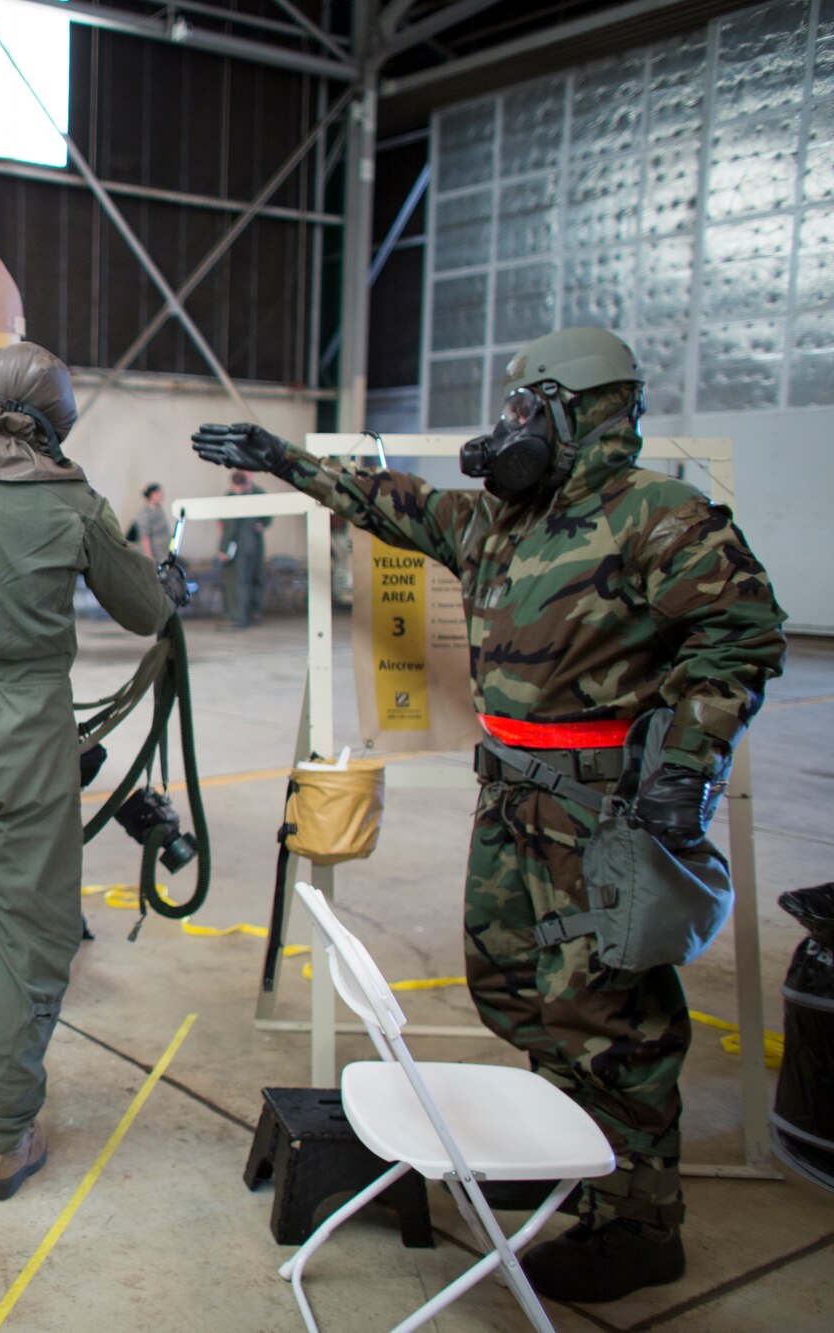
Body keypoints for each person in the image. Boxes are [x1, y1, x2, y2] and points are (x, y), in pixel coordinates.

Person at [192, 327, 787, 1302]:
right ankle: (577, 1144)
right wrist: (282, 458)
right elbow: (394, 504)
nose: (504, 427)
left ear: (575, 411)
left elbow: (741, 630)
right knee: (508, 987)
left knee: (610, 1014)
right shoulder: (500, 521)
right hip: (510, 800)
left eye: (521, 407)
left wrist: (688, 751)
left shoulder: (655, 516)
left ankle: (639, 1223)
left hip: (600, 817)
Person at [0, 343, 189, 1201]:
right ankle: (3, 1138)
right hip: (24, 733)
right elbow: (145, 609)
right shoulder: (70, 502)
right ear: (57, 422)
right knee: (26, 936)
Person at [217, 469, 270, 629]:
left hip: (237, 546)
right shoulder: (240, 496)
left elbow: (230, 527)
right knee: (243, 580)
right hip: (249, 545)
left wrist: (223, 549)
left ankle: (236, 617)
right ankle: (243, 615)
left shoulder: (240, 498)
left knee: (236, 580)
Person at [136, 481, 171, 561]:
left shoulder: (159, 509)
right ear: (152, 494)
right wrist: (149, 555)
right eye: (159, 494)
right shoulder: (145, 513)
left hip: (163, 553)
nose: (162, 496)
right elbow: (144, 536)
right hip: (155, 554)